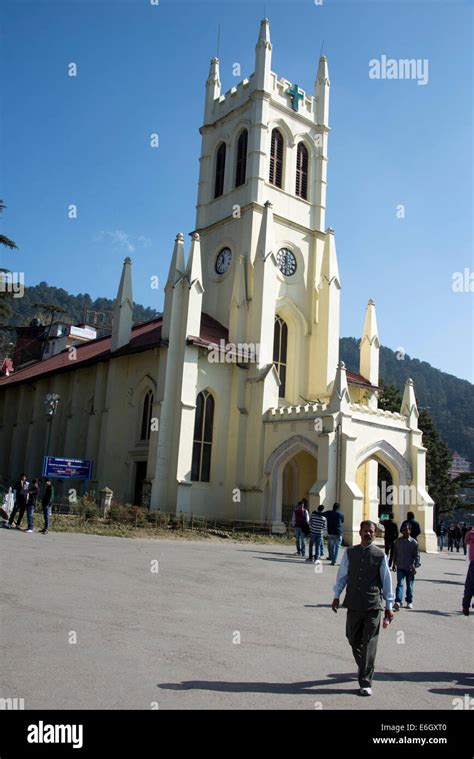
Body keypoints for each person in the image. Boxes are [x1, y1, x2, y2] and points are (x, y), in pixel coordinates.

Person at [332, 520, 394, 696]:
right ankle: (365, 666)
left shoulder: (380, 555)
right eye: (365, 531)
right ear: (359, 532)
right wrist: (337, 596)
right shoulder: (350, 552)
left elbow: (387, 582)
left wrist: (389, 605)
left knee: (369, 643)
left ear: (375, 534)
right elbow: (342, 575)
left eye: (371, 531)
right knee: (352, 638)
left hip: (373, 605)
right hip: (353, 603)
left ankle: (365, 681)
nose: (368, 534)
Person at [392, 524, 420, 610]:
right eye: (403, 530)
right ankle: (398, 601)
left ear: (410, 531)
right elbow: (395, 554)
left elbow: (417, 556)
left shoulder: (414, 542)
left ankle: (409, 601)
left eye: (407, 530)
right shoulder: (397, 542)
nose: (405, 531)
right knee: (400, 584)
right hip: (400, 566)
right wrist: (393, 564)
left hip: (410, 567)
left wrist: (415, 566)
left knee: (409, 585)